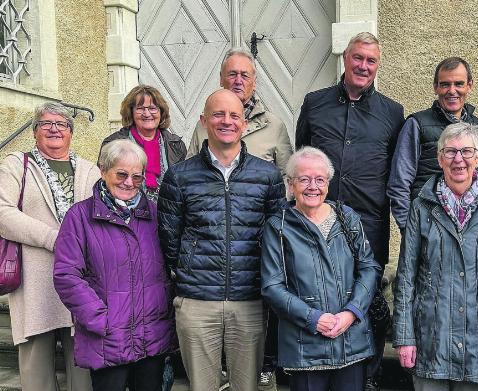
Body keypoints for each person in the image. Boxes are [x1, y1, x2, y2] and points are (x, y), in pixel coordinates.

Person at [296, 32, 404, 389]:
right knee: (317, 294)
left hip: (370, 224)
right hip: (318, 222)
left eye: (371, 61)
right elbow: (302, 160)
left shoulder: (392, 112)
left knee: (367, 300)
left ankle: (367, 376)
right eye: (358, 58)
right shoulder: (315, 104)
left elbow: (396, 170)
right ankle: (320, 370)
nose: (363, 66)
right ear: (345, 58)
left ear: (378, 65)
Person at [157, 89, 285, 391]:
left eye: (234, 115)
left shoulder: (267, 175)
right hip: (197, 301)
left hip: (249, 300)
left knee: (247, 387)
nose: (226, 121)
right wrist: (189, 272)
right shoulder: (179, 176)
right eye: (218, 114)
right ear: (204, 120)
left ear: (244, 123)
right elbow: (169, 237)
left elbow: (276, 234)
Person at [393, 122, 478, 390]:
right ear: (439, 158)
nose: (458, 159)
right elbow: (406, 276)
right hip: (431, 340)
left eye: (467, 151)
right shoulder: (421, 206)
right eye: (450, 152)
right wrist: (404, 336)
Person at [53, 139, 175, 391]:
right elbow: (66, 275)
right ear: (103, 170)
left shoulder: (154, 214)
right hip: (107, 339)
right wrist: (99, 319)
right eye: (121, 174)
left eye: (137, 177)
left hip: (151, 336)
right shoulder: (79, 217)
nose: (129, 182)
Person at [261, 146, 381, 391]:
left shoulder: (348, 218)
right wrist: (313, 318)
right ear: (291, 184)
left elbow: (369, 268)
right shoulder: (279, 227)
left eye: (319, 179)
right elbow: (272, 287)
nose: (312, 186)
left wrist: (351, 312)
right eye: (304, 179)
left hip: (351, 341)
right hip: (305, 347)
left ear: (328, 182)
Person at [0, 102, 96, 391]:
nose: (54, 129)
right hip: (34, 279)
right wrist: (54, 239)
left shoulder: (89, 171)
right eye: (46, 124)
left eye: (62, 124)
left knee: (84, 368)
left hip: (80, 277)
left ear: (71, 133)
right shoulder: (17, 164)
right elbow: (3, 213)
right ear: (35, 132)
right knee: (36, 370)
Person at [388, 56, 478, 230]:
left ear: (469, 86)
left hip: (466, 229)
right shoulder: (416, 124)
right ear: (435, 87)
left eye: (459, 84)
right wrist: (410, 230)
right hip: (426, 226)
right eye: (445, 84)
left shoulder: (477, 127)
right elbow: (399, 184)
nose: (452, 90)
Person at [187, 49, 293, 171]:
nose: (238, 81)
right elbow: (188, 172)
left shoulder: (274, 126)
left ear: (254, 82)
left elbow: (288, 177)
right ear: (221, 79)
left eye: (244, 75)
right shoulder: (205, 125)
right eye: (232, 74)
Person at [100, 85, 187, 201]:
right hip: (127, 213)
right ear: (131, 112)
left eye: (152, 108)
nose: (146, 114)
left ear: (161, 112)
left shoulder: (176, 145)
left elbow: (185, 186)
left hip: (167, 214)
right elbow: (105, 182)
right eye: (140, 108)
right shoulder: (113, 144)